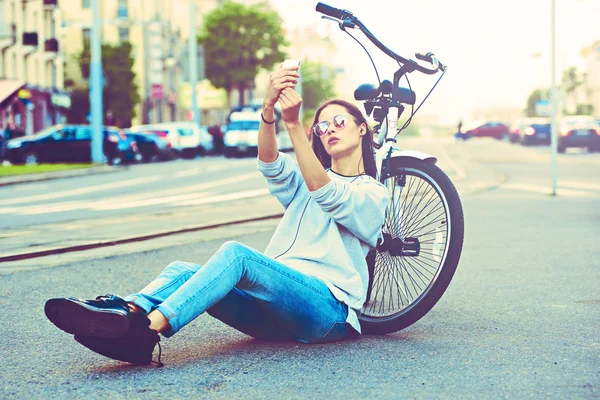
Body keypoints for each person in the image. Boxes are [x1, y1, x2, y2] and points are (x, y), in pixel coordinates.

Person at [44, 64, 390, 367]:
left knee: (236, 255)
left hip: (326, 313)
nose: (327, 129)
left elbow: (328, 194)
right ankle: (127, 311)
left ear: (362, 129)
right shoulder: (304, 179)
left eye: (338, 121)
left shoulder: (372, 193)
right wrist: (268, 109)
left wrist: (295, 126)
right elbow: (269, 163)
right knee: (184, 271)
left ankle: (147, 330)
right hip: (276, 314)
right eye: (321, 125)